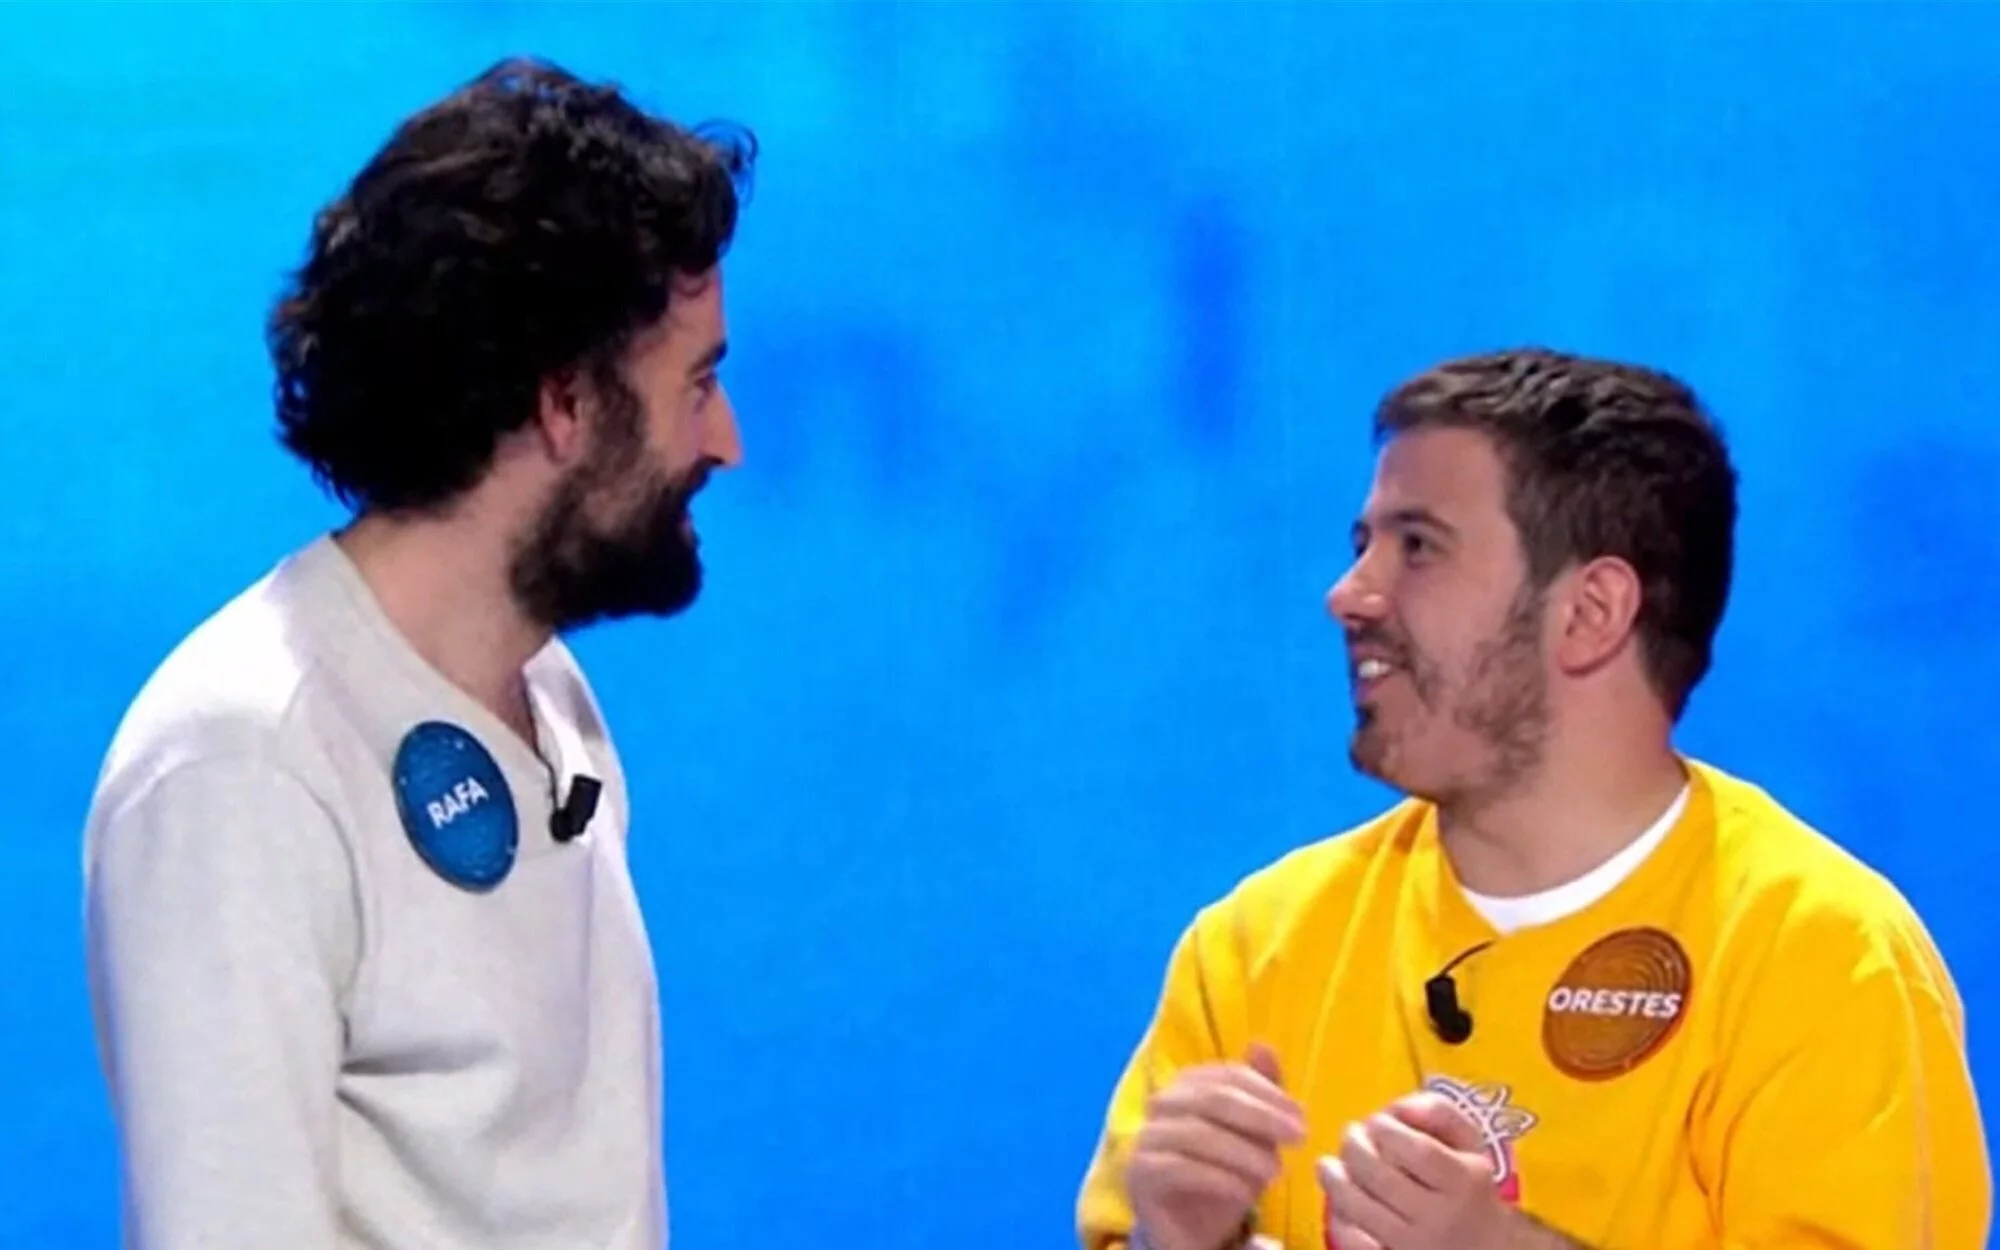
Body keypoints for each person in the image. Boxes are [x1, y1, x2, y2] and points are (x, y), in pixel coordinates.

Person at [1075, 348, 1990, 1250]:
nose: (1348, 596)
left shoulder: (1820, 959)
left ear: (1590, 613)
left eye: (1417, 548)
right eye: (1362, 547)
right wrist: (1175, 1243)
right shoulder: (1255, 953)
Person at [82, 58, 753, 1250]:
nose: (726, 439)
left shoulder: (553, 696)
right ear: (562, 401)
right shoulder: (239, 767)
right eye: (695, 382)